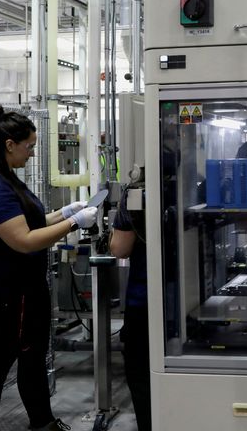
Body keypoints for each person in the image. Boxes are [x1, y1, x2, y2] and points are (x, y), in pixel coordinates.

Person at [0, 105, 98, 431]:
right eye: (30, 147)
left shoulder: (5, 177)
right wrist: (73, 225)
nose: (32, 154)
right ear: (10, 144)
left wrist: (66, 212)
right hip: (3, 290)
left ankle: (43, 422)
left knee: (33, 358)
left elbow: (31, 221)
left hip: (23, 286)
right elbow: (24, 239)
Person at [109, 174, 151, 431]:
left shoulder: (136, 193)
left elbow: (120, 249)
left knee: (141, 373)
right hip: (187, 298)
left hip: (144, 301)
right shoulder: (193, 183)